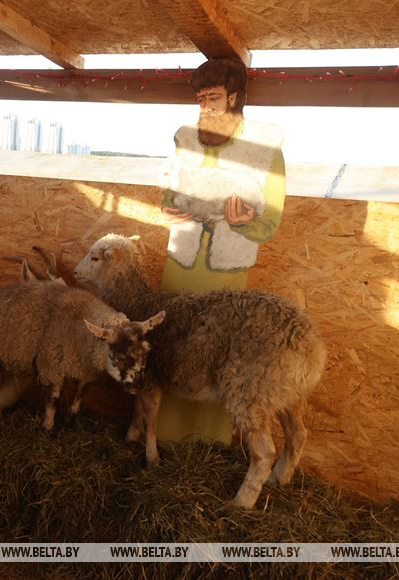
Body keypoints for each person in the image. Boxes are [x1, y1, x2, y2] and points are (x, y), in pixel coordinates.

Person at [157, 58, 287, 444]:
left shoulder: (266, 151)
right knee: (172, 347)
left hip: (225, 273)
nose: (206, 106)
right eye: (201, 98)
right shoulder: (185, 139)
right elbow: (169, 189)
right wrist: (168, 207)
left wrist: (247, 222)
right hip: (180, 263)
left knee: (218, 353)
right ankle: (162, 439)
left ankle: (208, 446)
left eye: (213, 96)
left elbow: (272, 218)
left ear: (234, 97)